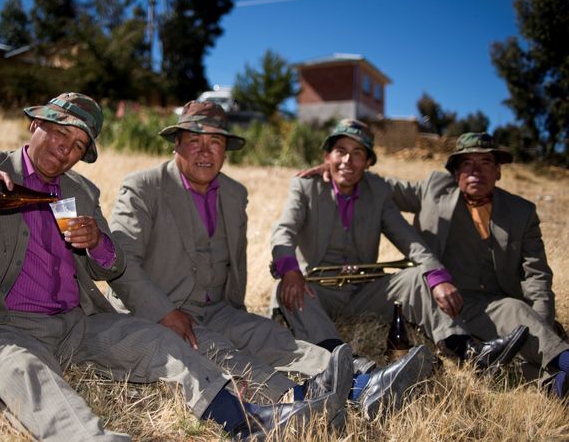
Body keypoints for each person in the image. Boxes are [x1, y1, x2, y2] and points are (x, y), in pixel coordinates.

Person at [0, 93, 337, 441]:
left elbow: (113, 265)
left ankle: (248, 419)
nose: (65, 149)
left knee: (161, 342)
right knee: (29, 376)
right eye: (59, 133)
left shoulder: (80, 192)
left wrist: (98, 243)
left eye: (78, 145)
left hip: (76, 324)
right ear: (34, 125)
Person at [107, 100, 435, 423]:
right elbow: (121, 263)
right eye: (194, 141)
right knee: (226, 353)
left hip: (217, 309)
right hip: (161, 312)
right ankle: (299, 401)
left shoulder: (234, 194)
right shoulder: (143, 187)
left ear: (226, 150)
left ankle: (365, 380)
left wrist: (235, 312)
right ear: (176, 144)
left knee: (272, 337)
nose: (205, 152)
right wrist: (164, 312)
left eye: (215, 142)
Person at [271, 119, 528, 374]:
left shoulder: (378, 190)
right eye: (341, 151)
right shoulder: (305, 186)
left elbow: (410, 240)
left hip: (364, 292)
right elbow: (284, 231)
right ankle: (344, 361)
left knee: (418, 276)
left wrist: (438, 277)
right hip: (317, 291)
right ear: (327, 156)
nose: (347, 161)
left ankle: (468, 350)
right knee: (289, 288)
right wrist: (290, 270)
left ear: (369, 162)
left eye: (357, 153)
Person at [387, 132, 569, 398]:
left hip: (496, 304)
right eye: (467, 163)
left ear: (498, 171)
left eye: (485, 163)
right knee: (517, 327)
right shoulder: (434, 190)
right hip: (443, 305)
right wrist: (337, 171)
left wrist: (541, 323)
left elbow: (537, 276)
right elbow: (383, 188)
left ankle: (555, 383)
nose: (476, 171)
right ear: (456, 172)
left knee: (518, 316)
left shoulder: (521, 212)